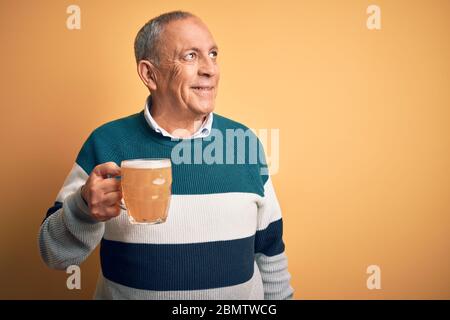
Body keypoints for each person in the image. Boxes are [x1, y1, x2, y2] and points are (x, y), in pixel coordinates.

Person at [38, 11, 294, 300]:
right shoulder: (105, 143)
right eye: (190, 56)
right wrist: (83, 208)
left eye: (213, 54)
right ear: (150, 74)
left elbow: (271, 254)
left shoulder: (244, 143)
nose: (210, 69)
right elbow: (54, 255)